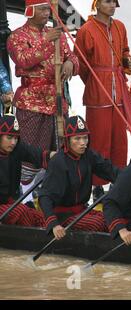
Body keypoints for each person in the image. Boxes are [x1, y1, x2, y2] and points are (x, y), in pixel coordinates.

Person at [7, 0, 79, 195]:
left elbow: (72, 56)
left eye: (49, 9)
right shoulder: (17, 36)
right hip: (31, 104)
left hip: (57, 102)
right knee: (31, 155)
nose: (47, 13)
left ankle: (52, 197)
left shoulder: (57, 34)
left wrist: (71, 64)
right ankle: (25, 198)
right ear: (30, 11)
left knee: (61, 152)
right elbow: (23, 60)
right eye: (42, 9)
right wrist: (47, 41)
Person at [75, 0, 131, 200]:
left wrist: (130, 61)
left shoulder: (120, 27)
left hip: (119, 92)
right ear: (97, 3)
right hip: (98, 92)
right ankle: (96, 186)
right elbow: (80, 64)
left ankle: (118, 180)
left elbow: (124, 53)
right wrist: (96, 80)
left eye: (114, 1)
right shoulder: (86, 29)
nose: (112, 5)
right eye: (107, 1)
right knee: (98, 141)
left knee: (119, 141)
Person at [38, 115, 119, 240]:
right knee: (98, 224)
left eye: (85, 138)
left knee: (114, 219)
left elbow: (110, 171)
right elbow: (44, 196)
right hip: (62, 216)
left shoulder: (89, 155)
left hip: (82, 211)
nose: (83, 143)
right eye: (77, 138)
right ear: (68, 140)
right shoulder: (58, 162)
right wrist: (53, 224)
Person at [0, 113, 52, 227]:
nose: (13, 142)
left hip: (11, 203)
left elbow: (36, 154)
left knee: (40, 217)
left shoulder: (17, 148)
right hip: (4, 207)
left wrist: (55, 157)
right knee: (21, 212)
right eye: (9, 137)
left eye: (15, 138)